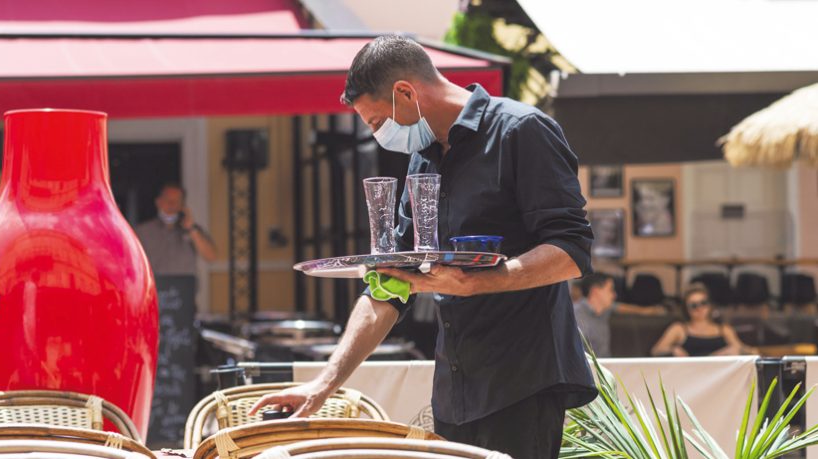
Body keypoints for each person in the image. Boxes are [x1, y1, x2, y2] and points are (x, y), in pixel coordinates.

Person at [248, 35, 596, 458]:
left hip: (523, 382)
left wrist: (475, 283)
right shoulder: (424, 156)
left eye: (376, 122)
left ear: (406, 93)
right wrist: (323, 385)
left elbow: (571, 249)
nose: (377, 135)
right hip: (454, 391)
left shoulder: (521, 130)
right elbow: (391, 283)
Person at [651, 283, 756, 357]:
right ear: (686, 309)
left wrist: (734, 350)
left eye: (703, 303)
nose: (699, 308)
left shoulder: (724, 329)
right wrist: (673, 349)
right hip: (689, 374)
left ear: (710, 305)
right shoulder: (679, 329)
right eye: (694, 305)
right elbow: (656, 350)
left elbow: (742, 348)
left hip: (719, 375)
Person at [574, 273, 665, 357]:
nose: (614, 295)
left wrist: (652, 310)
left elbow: (625, 308)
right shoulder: (575, 315)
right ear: (596, 291)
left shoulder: (605, 309)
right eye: (610, 290)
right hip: (587, 366)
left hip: (606, 365)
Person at [134, 183, 217, 275]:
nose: (172, 205)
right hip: (156, 282)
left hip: (184, 283)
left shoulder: (194, 231)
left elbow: (211, 257)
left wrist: (191, 229)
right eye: (168, 200)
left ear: (182, 205)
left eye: (177, 201)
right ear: (158, 202)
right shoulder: (143, 231)